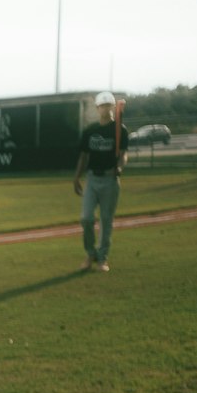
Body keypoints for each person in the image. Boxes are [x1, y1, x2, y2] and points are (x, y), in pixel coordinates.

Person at [74, 91, 128, 271]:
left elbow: (123, 154)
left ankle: (102, 258)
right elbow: (83, 156)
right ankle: (90, 254)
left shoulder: (120, 130)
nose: (105, 108)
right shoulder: (90, 130)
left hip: (110, 179)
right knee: (86, 218)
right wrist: (76, 178)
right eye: (102, 105)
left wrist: (120, 167)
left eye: (108, 105)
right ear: (97, 108)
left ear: (113, 107)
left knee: (106, 220)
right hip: (92, 178)